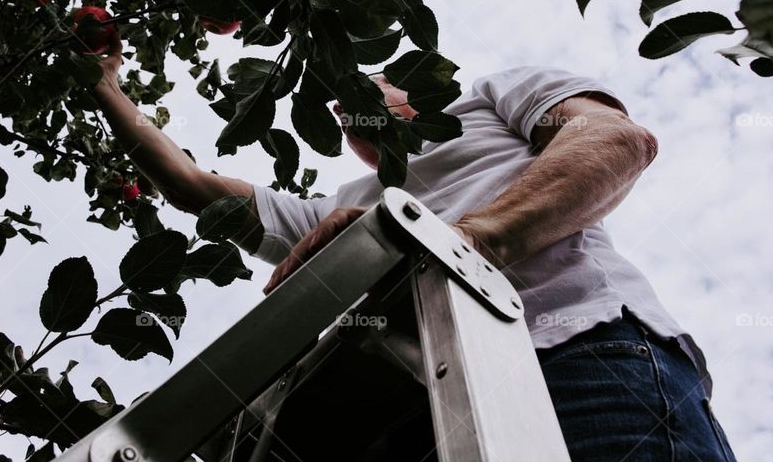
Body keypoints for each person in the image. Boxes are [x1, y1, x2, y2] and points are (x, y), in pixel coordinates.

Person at [91, 36, 737, 461]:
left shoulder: (489, 99)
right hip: (417, 419)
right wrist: (104, 86)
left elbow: (616, 142)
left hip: (575, 353)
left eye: (368, 86)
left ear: (415, 91)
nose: (346, 105)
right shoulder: (345, 205)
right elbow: (191, 186)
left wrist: (453, 244)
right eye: (339, 109)